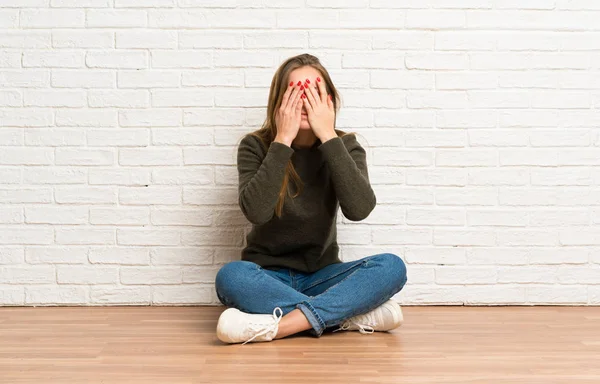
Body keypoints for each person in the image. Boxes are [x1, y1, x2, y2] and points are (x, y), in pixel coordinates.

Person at [214, 53, 408, 345]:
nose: (304, 102)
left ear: (329, 101)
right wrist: (283, 140)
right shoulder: (255, 145)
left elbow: (360, 209)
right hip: (267, 277)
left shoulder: (345, 145)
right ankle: (345, 316)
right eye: (295, 93)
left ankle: (279, 326)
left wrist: (328, 136)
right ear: (279, 101)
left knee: (392, 267)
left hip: (323, 276)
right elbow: (256, 212)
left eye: (314, 93)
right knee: (231, 277)